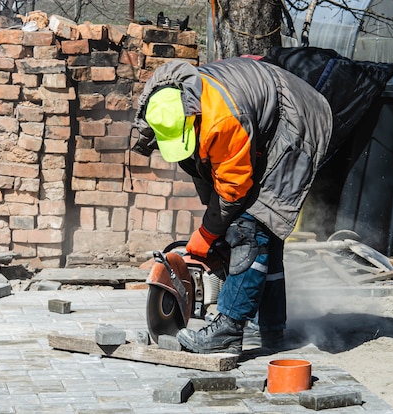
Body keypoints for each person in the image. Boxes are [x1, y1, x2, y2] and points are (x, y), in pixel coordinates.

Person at [132, 57, 333, 356]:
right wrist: (214, 228)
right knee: (261, 233)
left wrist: (210, 231)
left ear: (193, 120)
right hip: (264, 116)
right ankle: (272, 328)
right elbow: (203, 169)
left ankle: (228, 328)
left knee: (251, 227)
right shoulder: (166, 105)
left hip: (298, 123)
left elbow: (233, 187)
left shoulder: (221, 120)